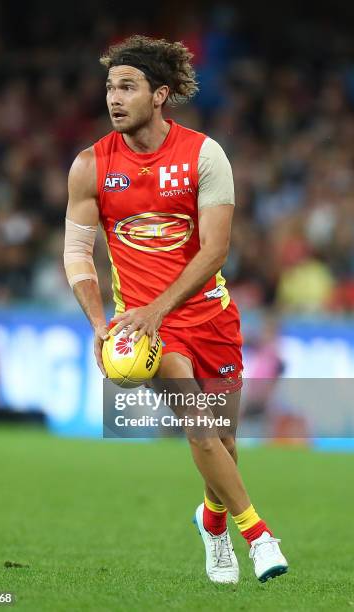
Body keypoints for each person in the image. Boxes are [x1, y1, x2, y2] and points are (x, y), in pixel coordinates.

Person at [64, 35, 288, 584]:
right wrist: (101, 322)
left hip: (208, 315)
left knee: (225, 439)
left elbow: (216, 249)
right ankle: (258, 537)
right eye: (110, 87)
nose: (114, 98)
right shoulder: (90, 166)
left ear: (160, 94)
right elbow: (76, 253)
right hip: (145, 331)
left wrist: (162, 307)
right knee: (200, 430)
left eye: (128, 87)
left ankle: (211, 522)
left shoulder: (204, 155)